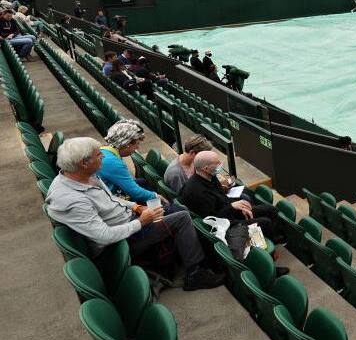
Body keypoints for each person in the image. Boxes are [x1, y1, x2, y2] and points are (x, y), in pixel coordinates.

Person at [45, 137, 224, 291]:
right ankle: (195, 273)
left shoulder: (84, 176)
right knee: (182, 218)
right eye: (98, 155)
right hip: (120, 242)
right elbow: (103, 237)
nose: (103, 156)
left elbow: (112, 199)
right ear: (84, 163)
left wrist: (136, 207)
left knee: (178, 210)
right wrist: (141, 221)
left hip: (128, 220)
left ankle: (187, 258)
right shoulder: (72, 200)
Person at [178, 151, 285, 248]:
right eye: (217, 162)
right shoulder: (197, 192)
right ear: (205, 168)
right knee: (264, 222)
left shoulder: (210, 175)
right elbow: (214, 219)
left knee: (271, 210)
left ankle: (274, 241)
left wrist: (238, 207)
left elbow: (222, 198)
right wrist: (232, 207)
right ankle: (267, 252)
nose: (220, 164)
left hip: (230, 212)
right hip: (225, 224)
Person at [97, 119, 167, 205]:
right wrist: (156, 196)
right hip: (113, 202)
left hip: (111, 193)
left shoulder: (104, 150)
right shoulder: (113, 162)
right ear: (127, 144)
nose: (138, 148)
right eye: (137, 144)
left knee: (142, 182)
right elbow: (135, 193)